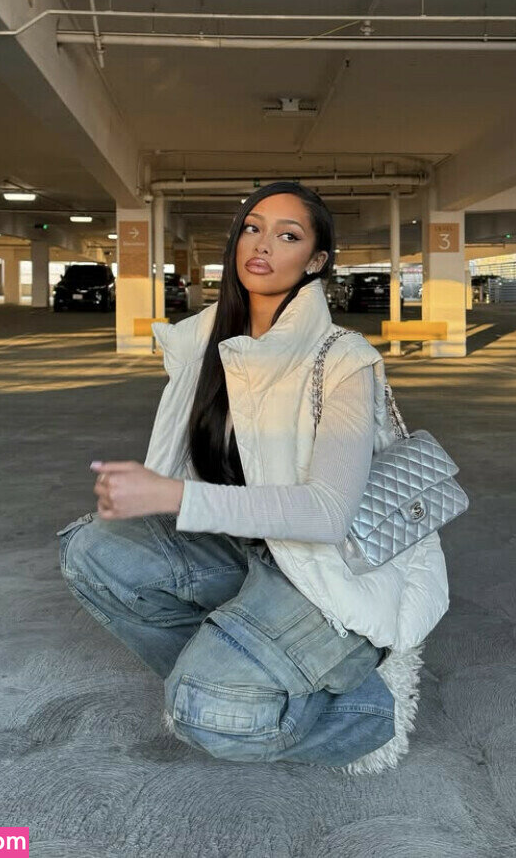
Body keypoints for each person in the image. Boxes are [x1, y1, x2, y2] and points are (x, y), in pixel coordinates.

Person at [57, 181, 449, 773]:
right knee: (91, 550)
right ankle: (236, 667)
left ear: (314, 261)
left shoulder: (342, 359)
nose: (262, 245)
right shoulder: (205, 344)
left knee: (206, 716)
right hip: (242, 549)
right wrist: (154, 496)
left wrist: (173, 495)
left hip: (323, 568)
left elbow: (326, 514)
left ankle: (365, 709)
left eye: (288, 236)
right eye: (252, 228)